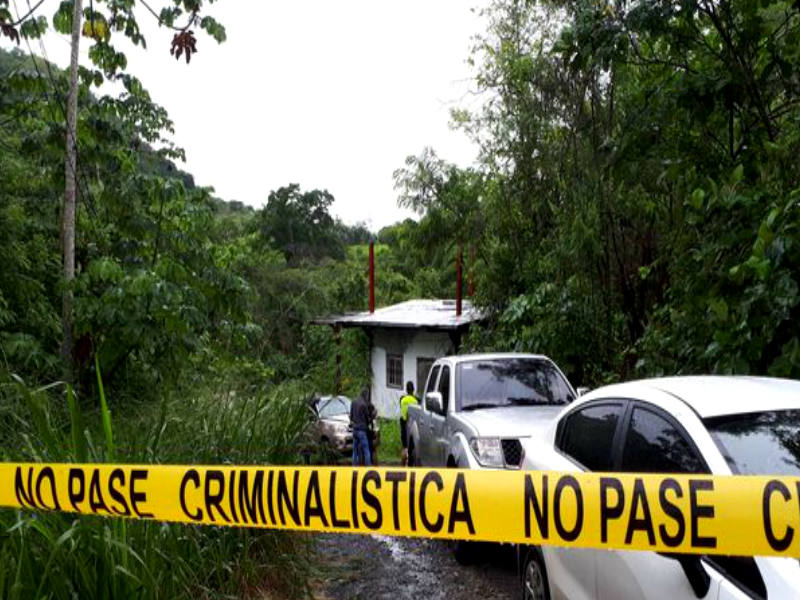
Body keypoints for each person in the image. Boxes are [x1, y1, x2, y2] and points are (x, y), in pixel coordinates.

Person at [349, 385, 372, 466]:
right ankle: (368, 467)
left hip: (355, 429)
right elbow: (367, 419)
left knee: (355, 451)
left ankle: (354, 467)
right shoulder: (364, 404)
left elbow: (351, 416)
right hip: (362, 430)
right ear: (366, 394)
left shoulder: (353, 402)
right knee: (366, 450)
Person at [399, 381, 419, 466]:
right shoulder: (416, 401)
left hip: (404, 425)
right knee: (412, 449)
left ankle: (403, 466)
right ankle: (410, 464)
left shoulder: (402, 400)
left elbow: (402, 413)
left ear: (406, 389)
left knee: (404, 447)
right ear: (413, 390)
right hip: (413, 426)